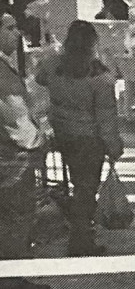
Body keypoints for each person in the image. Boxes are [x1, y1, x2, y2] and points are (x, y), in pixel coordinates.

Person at [35, 20, 123, 257]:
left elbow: (39, 78)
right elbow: (106, 118)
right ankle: (81, 238)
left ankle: (78, 228)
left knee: (77, 183)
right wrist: (114, 146)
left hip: (63, 134)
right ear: (93, 44)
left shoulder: (54, 65)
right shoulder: (100, 77)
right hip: (89, 140)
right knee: (86, 189)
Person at [0, 11, 53, 289]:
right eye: (9, 28)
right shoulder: (2, 71)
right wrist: (36, 141)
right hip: (11, 158)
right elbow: (15, 117)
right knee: (16, 215)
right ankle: (11, 280)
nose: (17, 33)